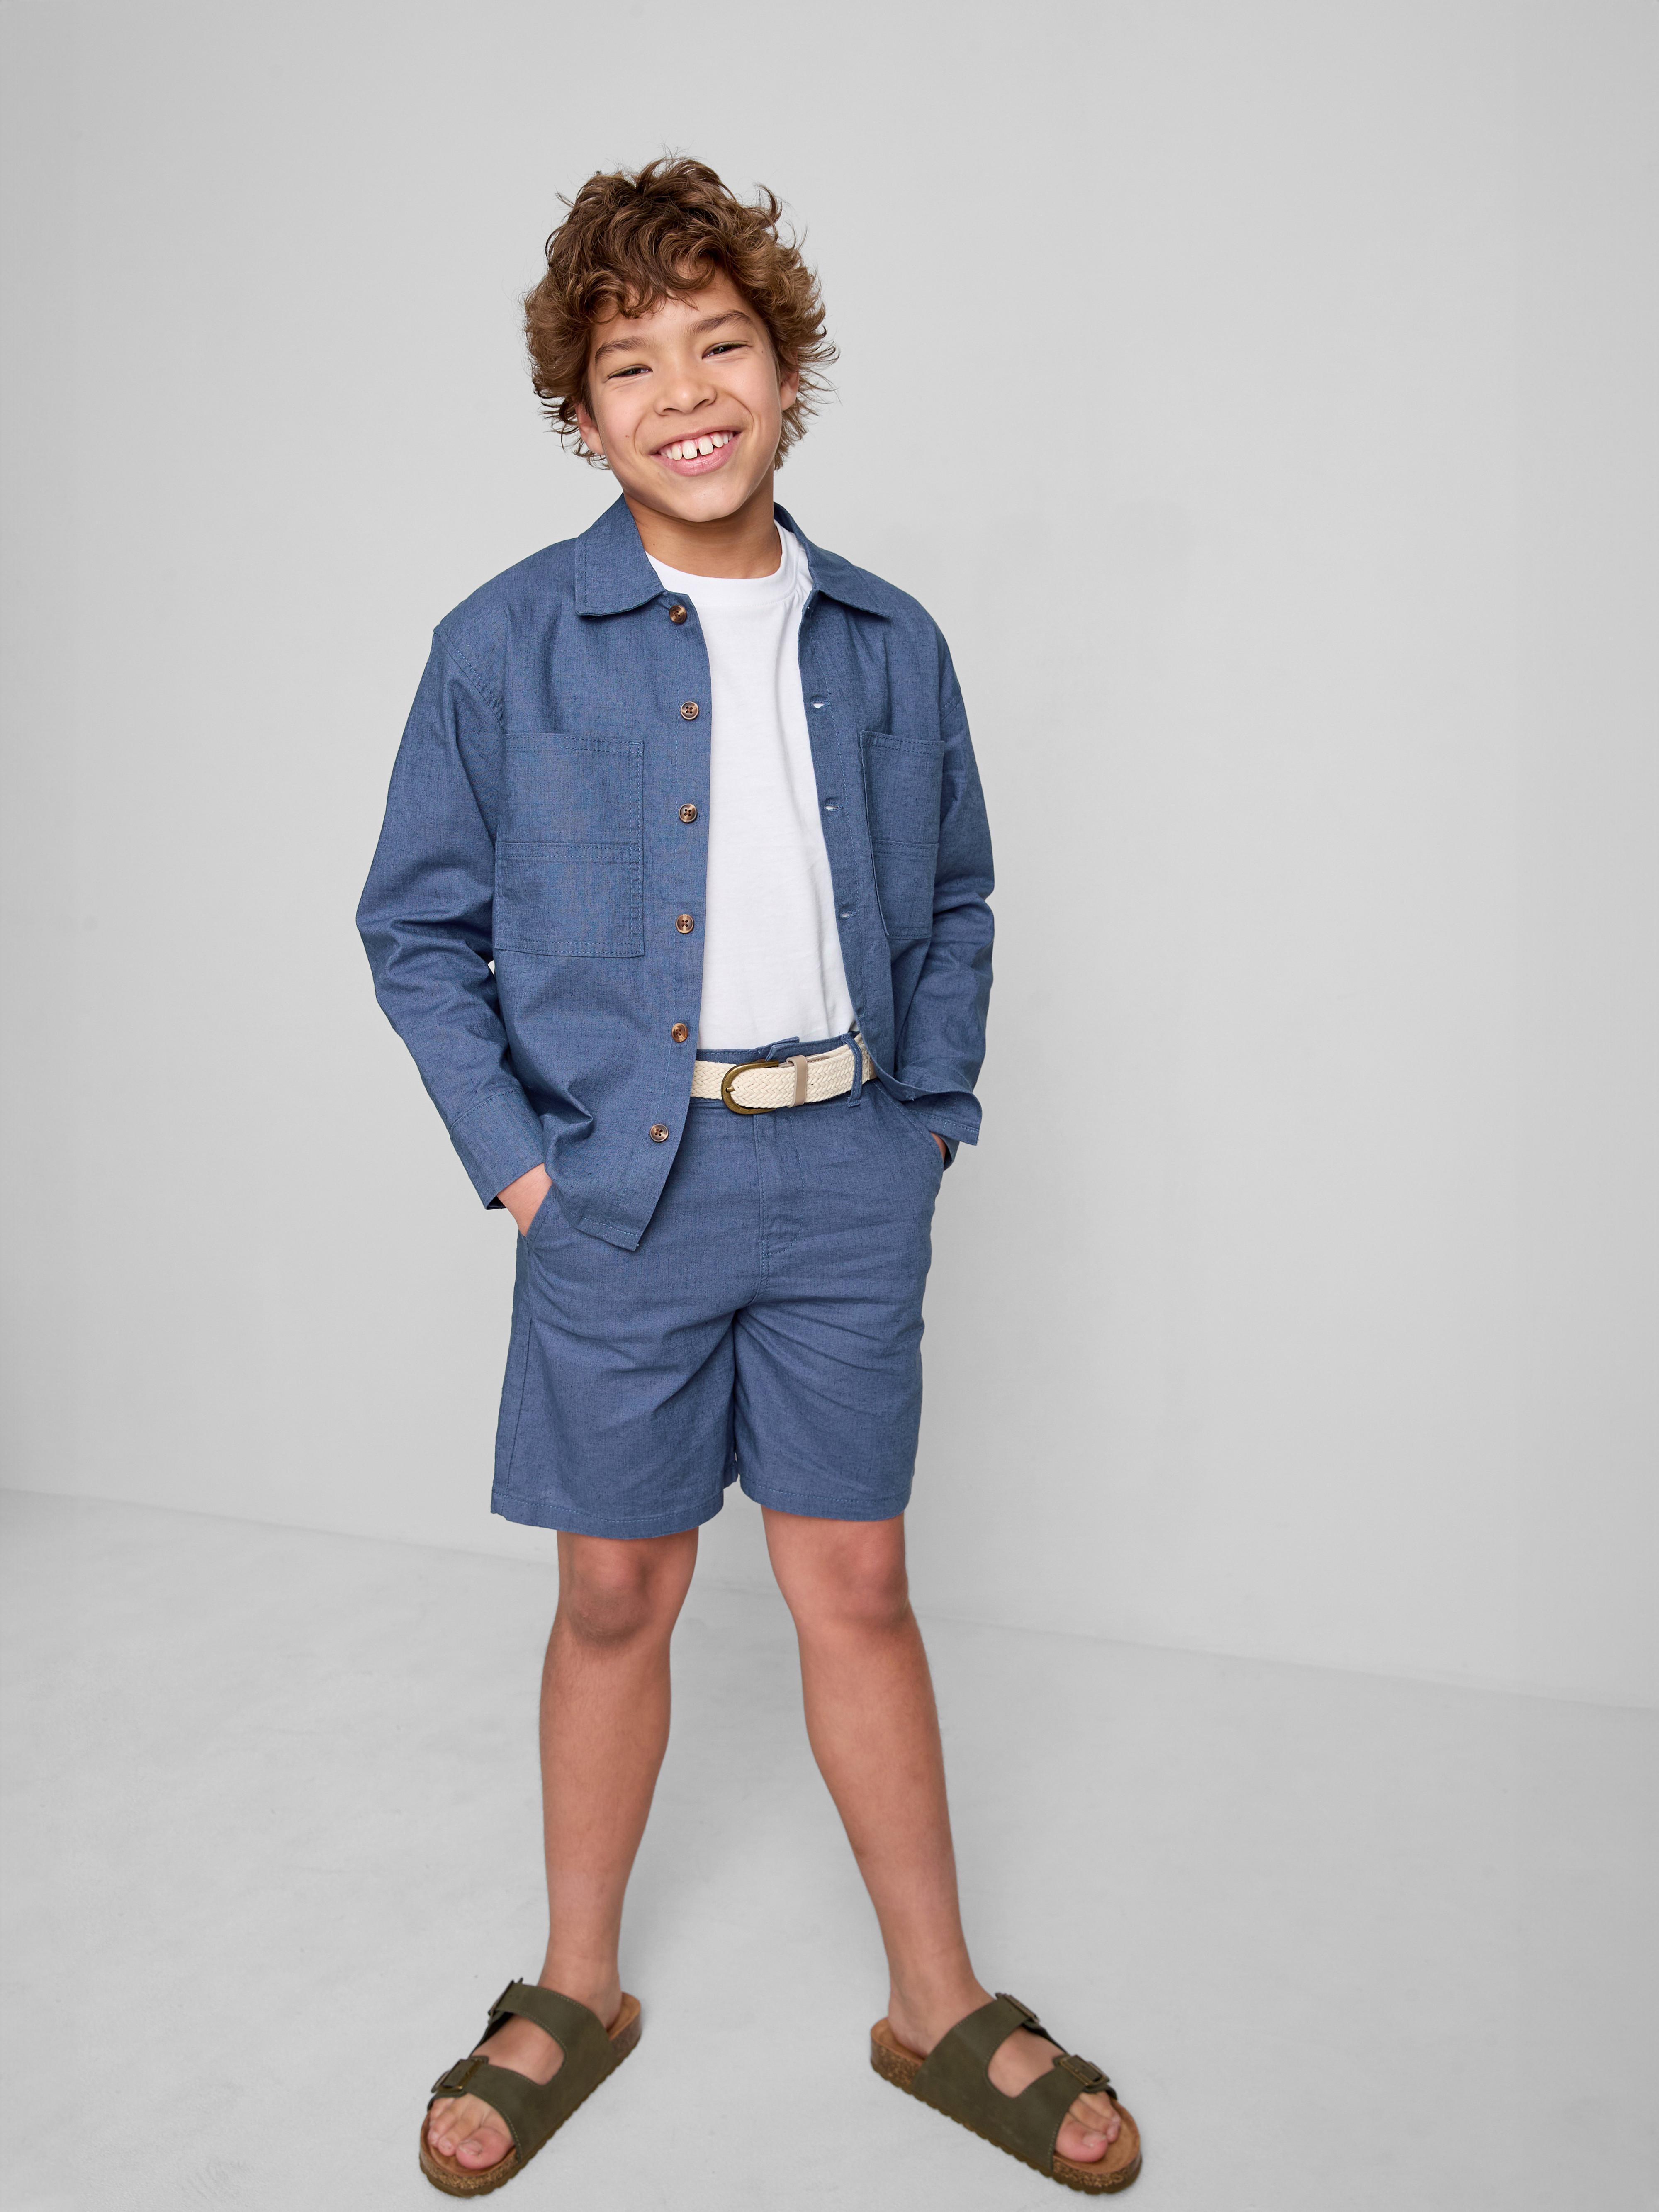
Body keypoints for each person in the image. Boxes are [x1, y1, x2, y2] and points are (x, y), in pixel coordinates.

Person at [357, 156, 1141, 2198]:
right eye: (632, 365)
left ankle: (933, 1997)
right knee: (615, 1587)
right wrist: (520, 1173)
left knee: (857, 1582)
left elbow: (956, 894)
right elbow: (415, 926)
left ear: (788, 371)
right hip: (618, 1187)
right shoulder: (504, 643)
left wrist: (926, 1115)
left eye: (722, 345)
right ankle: (575, 1985)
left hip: (845, 1177)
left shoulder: (887, 640)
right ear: (581, 411)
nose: (686, 394)